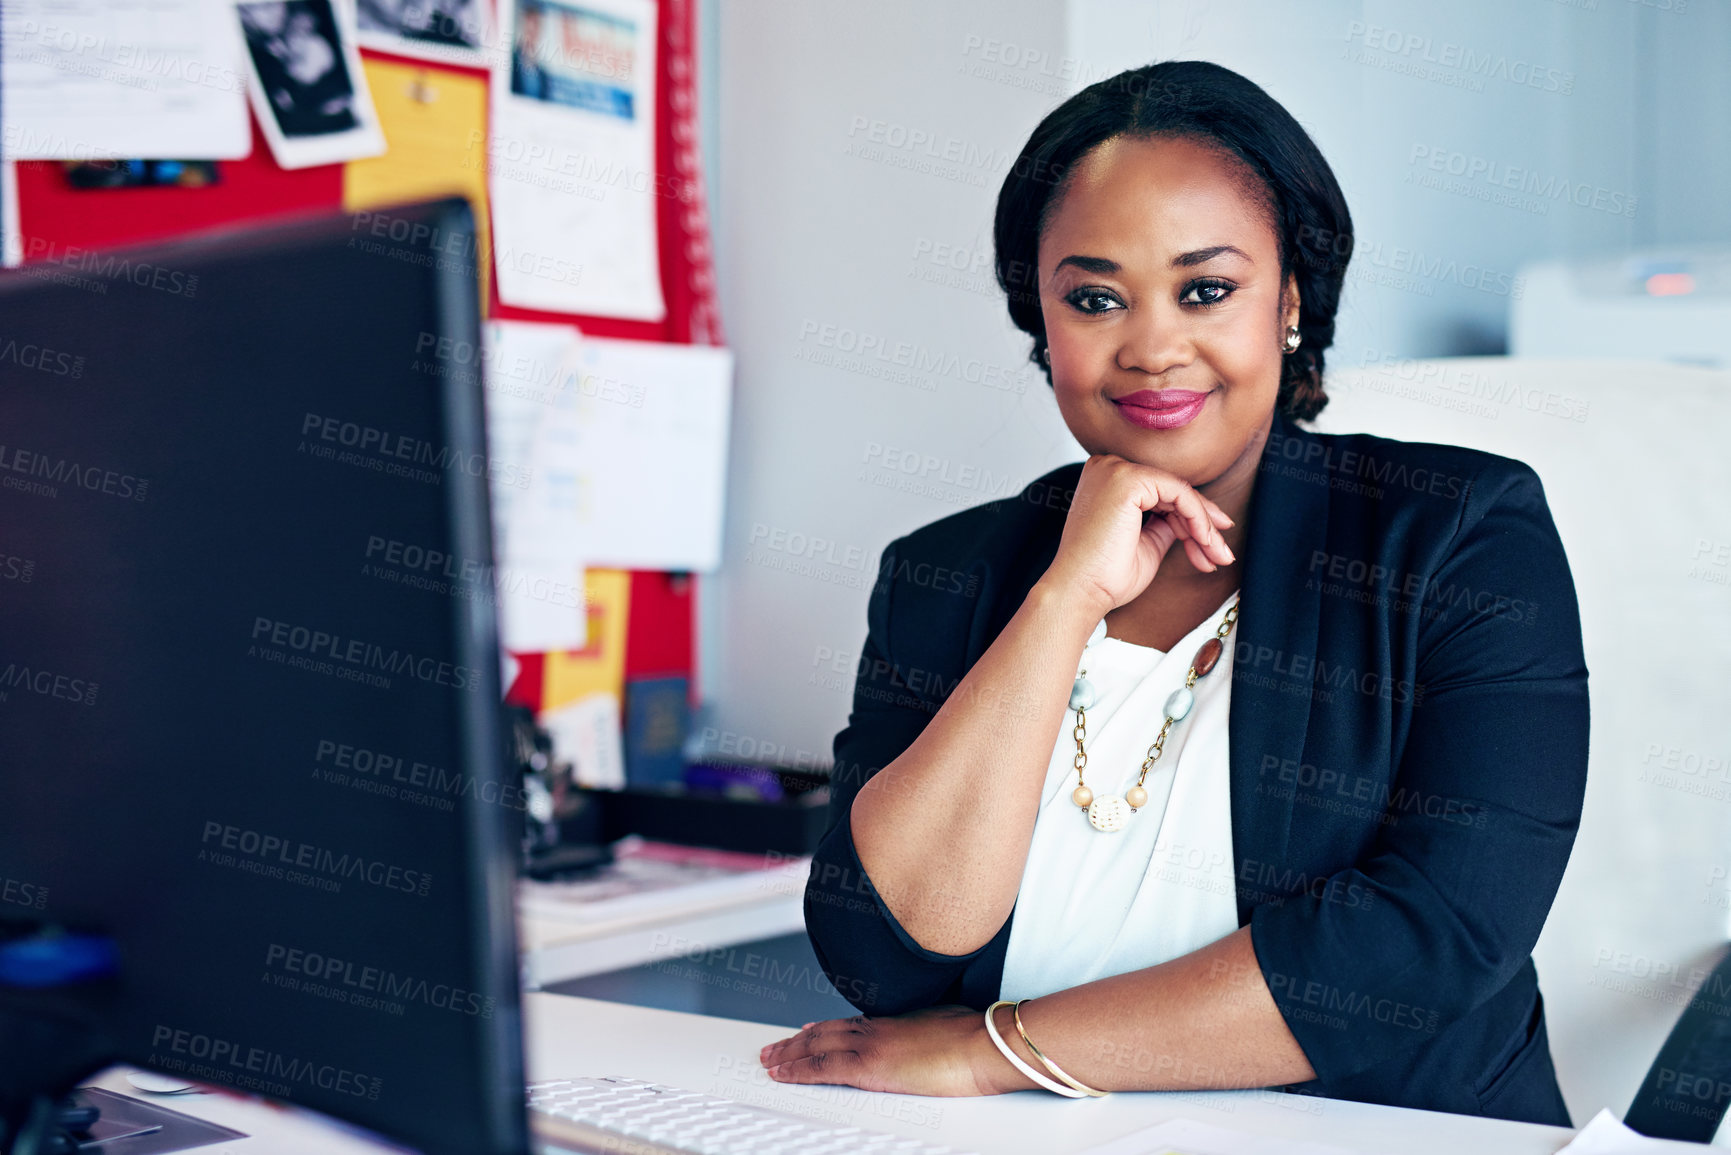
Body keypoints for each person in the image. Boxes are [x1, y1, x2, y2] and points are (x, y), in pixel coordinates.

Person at [760, 59, 1588, 1126]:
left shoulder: (1459, 532)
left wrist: (997, 1054)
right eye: (1095, 297)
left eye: (1206, 289)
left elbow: (1433, 940)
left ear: (1289, 299)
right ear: (1042, 320)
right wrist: (1064, 600)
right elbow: (888, 947)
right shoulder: (949, 571)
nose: (1151, 347)